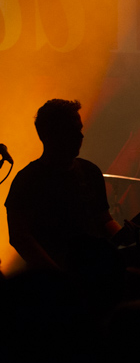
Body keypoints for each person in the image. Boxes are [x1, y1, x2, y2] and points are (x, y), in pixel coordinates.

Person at [5, 99, 122, 269]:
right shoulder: (28, 180)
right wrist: (55, 274)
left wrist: (124, 236)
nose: (80, 136)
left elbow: (104, 219)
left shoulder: (90, 171)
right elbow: (19, 236)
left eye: (80, 129)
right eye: (72, 130)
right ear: (49, 135)